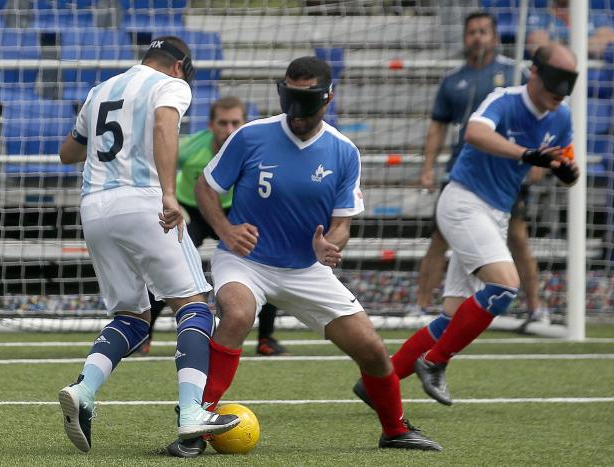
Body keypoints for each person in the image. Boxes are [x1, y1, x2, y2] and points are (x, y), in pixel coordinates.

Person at [167, 56, 442, 458]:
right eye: (289, 98)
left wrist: (330, 245)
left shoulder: (344, 152)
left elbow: (343, 224)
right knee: (239, 314)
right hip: (245, 261)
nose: (296, 112)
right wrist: (226, 230)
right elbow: (205, 187)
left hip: (305, 268)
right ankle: (195, 424)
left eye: (306, 100)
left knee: (372, 349)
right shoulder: (249, 136)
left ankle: (395, 429)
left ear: (328, 97)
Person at [56, 36, 240, 453]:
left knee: (133, 316)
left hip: (94, 208)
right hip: (142, 202)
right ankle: (193, 412)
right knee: (193, 305)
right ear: (179, 67)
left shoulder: (99, 91)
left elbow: (67, 153)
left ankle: (84, 389)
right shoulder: (171, 85)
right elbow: (162, 124)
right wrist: (170, 194)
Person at [402, 42, 580, 406]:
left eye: (565, 90)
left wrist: (565, 172)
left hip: (497, 213)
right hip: (464, 201)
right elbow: (474, 133)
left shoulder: (561, 117)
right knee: (504, 286)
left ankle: (380, 381)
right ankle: (434, 362)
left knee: (453, 314)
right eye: (553, 87)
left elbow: (557, 163)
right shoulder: (504, 100)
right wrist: (525, 153)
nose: (558, 97)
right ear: (534, 73)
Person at [413, 12, 547, 329]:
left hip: (505, 174)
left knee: (518, 238)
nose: (478, 37)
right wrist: (428, 168)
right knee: (439, 238)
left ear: (495, 36)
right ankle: (420, 307)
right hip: (461, 174)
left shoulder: (515, 73)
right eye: (472, 31)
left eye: (484, 31)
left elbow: (536, 118)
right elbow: (438, 127)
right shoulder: (452, 80)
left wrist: (536, 160)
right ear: (464, 37)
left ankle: (536, 308)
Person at [138, 96, 290, 357]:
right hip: (193, 210)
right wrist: (169, 199)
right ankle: (143, 336)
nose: (229, 130)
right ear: (210, 125)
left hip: (235, 212)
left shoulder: (257, 150)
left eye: (235, 123)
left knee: (268, 261)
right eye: (223, 123)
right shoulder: (189, 148)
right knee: (168, 264)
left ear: (244, 123)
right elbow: (157, 168)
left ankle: (266, 338)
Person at [526, 0, 614, 59]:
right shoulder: (541, 17)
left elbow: (608, 40)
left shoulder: (596, 16)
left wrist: (561, 44)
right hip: (554, 72)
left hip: (593, 75)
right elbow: (538, 47)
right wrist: (585, 44)